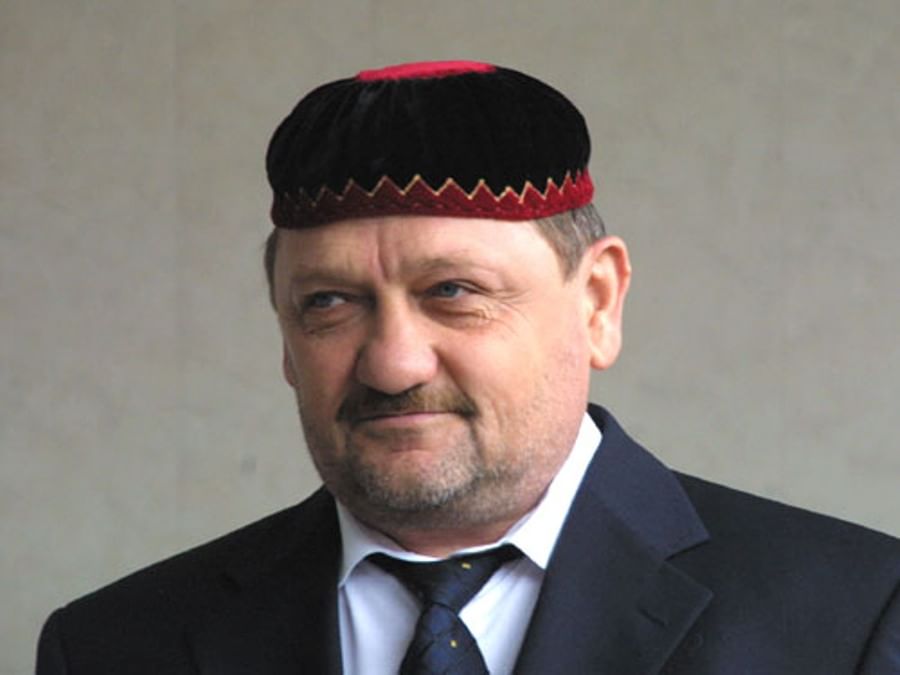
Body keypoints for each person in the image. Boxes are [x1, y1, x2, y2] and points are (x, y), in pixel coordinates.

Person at [37, 60, 899, 674]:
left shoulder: (853, 621)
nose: (393, 363)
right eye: (329, 302)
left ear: (597, 303)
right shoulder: (115, 647)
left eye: (453, 291)